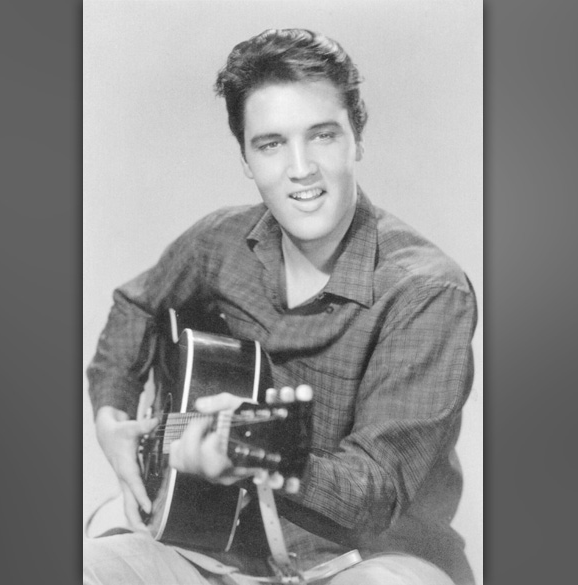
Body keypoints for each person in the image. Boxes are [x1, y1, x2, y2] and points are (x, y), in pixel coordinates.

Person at [84, 28, 477, 585]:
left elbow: (377, 493)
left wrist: (257, 453)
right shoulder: (218, 243)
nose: (300, 169)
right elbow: (135, 309)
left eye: (321, 136)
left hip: (364, 560)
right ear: (246, 158)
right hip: (211, 546)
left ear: (356, 138)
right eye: (270, 144)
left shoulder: (426, 290)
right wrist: (111, 421)